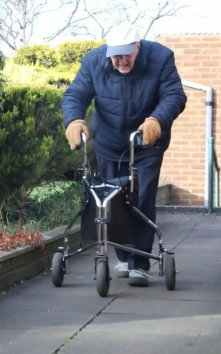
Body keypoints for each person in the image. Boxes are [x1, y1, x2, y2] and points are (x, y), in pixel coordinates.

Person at [61, 24, 187, 287]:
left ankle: (139, 264)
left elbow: (174, 95)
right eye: (115, 55)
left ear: (137, 47)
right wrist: (73, 120)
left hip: (145, 142)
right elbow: (76, 93)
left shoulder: (160, 58)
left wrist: (157, 119)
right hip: (109, 143)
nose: (120, 60)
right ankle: (124, 255)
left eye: (126, 54)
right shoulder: (94, 60)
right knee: (112, 200)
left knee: (141, 197)